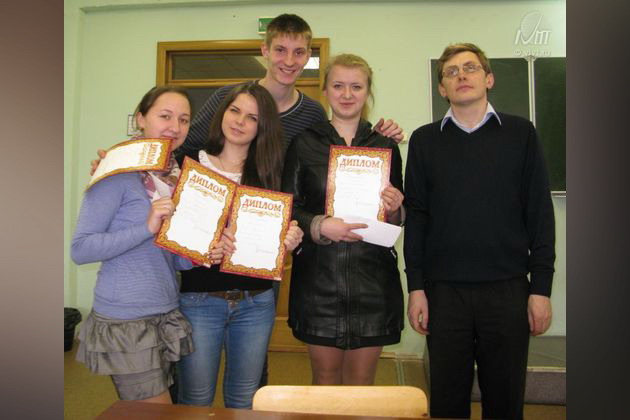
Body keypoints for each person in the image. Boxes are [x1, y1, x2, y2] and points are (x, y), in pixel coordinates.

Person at [404, 43, 555, 419]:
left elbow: (540, 214)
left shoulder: (521, 134)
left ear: (489, 79)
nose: (461, 76)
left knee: (505, 401)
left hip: (507, 289)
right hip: (443, 293)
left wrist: (540, 289)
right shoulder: (424, 140)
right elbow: (417, 218)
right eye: (451, 72)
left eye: (470, 68)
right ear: (442, 88)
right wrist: (416, 287)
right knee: (446, 401)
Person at [176, 81, 304, 409]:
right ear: (222, 112)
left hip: (256, 302)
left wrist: (289, 239)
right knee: (195, 400)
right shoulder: (188, 164)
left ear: (263, 127)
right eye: (235, 111)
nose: (239, 121)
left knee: (245, 400)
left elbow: (283, 231)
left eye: (252, 117)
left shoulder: (273, 173)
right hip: (199, 300)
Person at [281, 53, 405, 385]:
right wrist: (320, 225)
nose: (347, 94)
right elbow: (288, 208)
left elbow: (396, 218)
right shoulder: (304, 143)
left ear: (368, 92)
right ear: (325, 90)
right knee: (324, 384)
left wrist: (395, 206)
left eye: (356, 87)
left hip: (373, 283)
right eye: (338, 86)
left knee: (362, 387)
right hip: (319, 282)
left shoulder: (386, 145)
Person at [71, 85, 195, 403]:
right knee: (156, 411)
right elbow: (80, 249)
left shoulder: (176, 179)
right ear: (140, 119)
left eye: (183, 119)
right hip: (126, 317)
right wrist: (146, 227)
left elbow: (174, 260)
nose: (175, 127)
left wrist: (199, 251)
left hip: (166, 311)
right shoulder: (114, 172)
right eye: (165, 116)